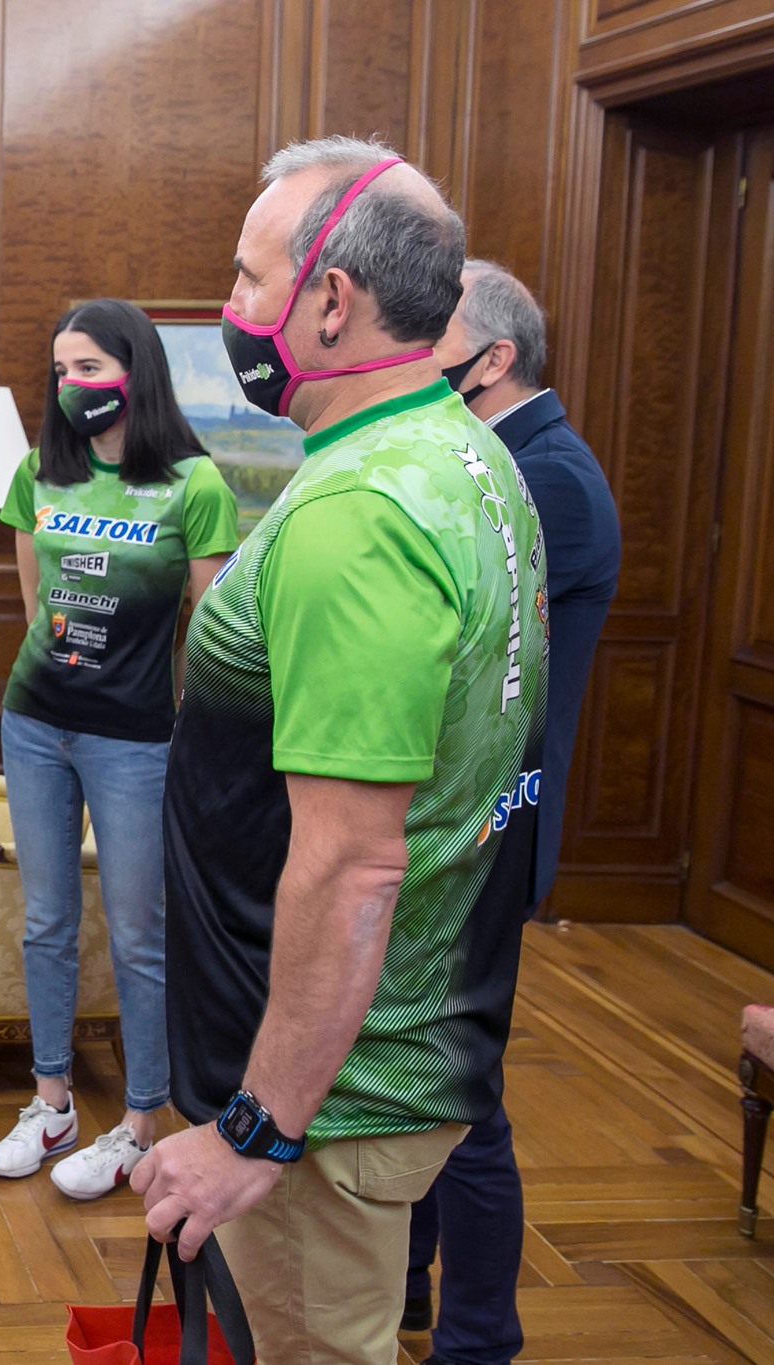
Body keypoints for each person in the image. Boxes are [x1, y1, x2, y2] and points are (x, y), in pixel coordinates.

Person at [133, 136, 547, 1365]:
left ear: (328, 299)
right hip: (378, 1056)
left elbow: (354, 862)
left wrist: (252, 1131)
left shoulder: (359, 516)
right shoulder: (466, 456)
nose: (229, 311)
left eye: (248, 279)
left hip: (324, 1103)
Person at [403, 260, 621, 1364]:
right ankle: (402, 1288)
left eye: (427, 334)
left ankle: (478, 1339)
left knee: (457, 1099)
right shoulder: (495, 460)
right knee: (413, 1088)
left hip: (484, 836)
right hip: (450, 830)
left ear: (489, 359)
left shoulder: (545, 481)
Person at [0, 299, 239, 1196]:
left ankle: (140, 1120)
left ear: (134, 370)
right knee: (46, 920)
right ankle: (50, 1102)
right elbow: (31, 598)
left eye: (88, 368)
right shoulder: (37, 473)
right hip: (33, 721)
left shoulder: (193, 485)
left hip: (135, 738)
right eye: (59, 370)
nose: (70, 386)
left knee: (138, 932)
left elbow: (208, 629)